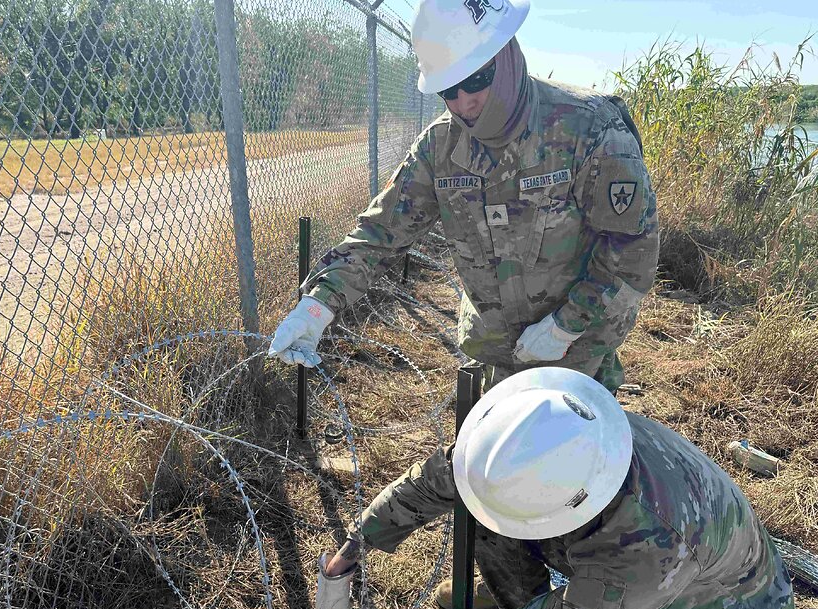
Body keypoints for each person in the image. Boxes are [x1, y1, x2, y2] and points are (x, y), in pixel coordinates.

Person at [314, 367, 796, 609]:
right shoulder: (556, 428)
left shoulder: (643, 545)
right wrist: (347, 555)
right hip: (653, 570)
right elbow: (443, 479)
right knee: (484, 512)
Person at [267, 0, 659, 395]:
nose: (463, 102)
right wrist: (317, 306)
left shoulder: (589, 130)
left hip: (576, 353)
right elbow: (380, 234)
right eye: (448, 89)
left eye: (476, 78)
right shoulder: (440, 147)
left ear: (506, 55)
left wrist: (566, 325)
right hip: (496, 348)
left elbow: (632, 249)